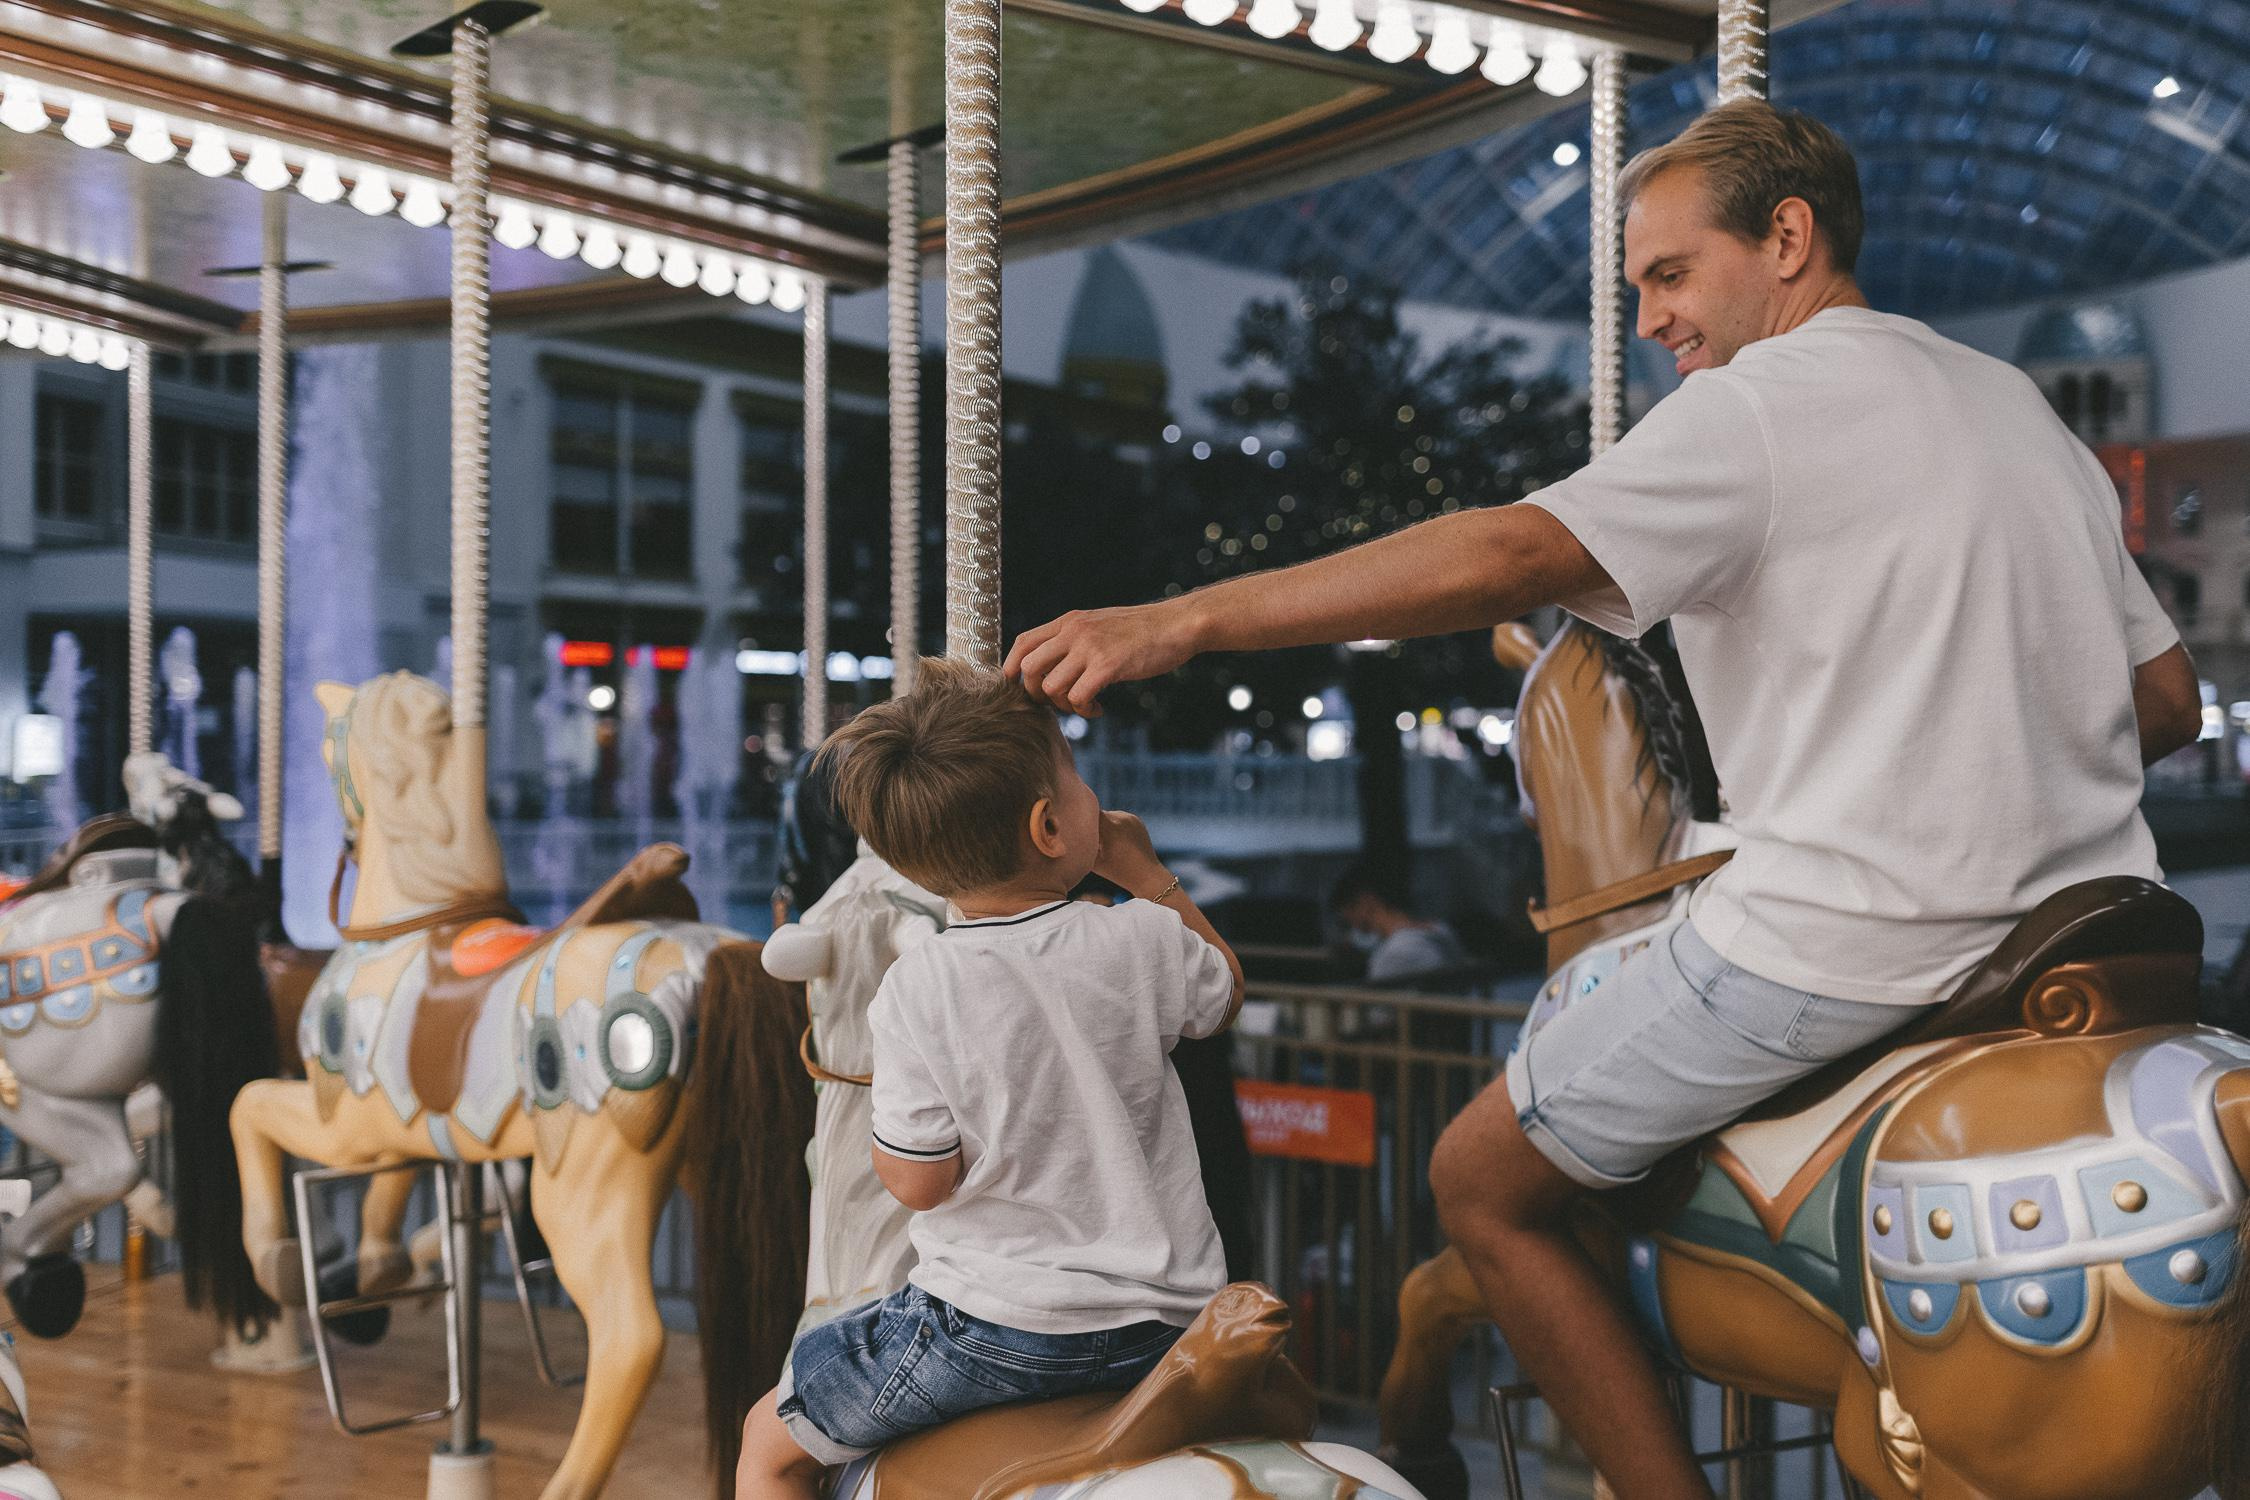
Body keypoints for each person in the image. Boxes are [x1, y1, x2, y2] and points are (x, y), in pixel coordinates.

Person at [1003, 100, 2204, 1497]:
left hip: (1859, 938)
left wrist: (1189, 620)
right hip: (2104, 929)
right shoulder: (2013, 405)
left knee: (1477, 1180)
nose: (1648, 318)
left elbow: (1510, 551)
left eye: (1667, 274)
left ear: (1788, 240)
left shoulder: (1756, 409)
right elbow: (2166, 700)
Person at [734, 659, 1246, 1499]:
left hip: (994, 1328)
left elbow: (921, 1184)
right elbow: (1221, 992)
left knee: (767, 1440)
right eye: (1079, 781)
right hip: (1172, 1320)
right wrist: (1148, 875)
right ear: (1050, 828)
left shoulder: (919, 985)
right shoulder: (1142, 936)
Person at [1329, 863, 1466, 984]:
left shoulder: (1392, 955)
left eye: (1347, 919)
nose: (1352, 925)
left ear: (1366, 901)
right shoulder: (1441, 931)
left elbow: (1380, 1012)